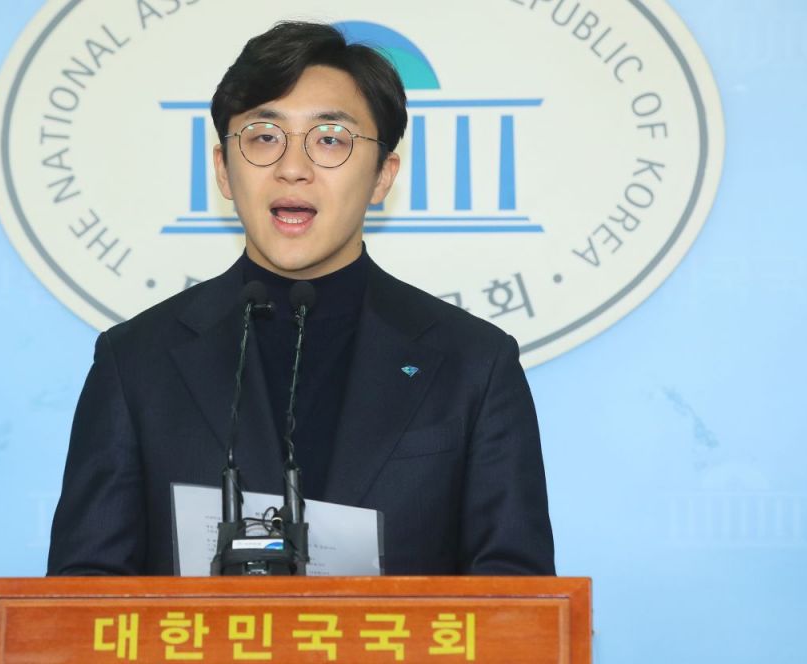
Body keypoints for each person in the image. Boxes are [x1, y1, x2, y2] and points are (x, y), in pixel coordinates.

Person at [48, 21, 555, 576]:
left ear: (383, 176)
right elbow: (81, 594)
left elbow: (517, 597)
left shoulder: (474, 363)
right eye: (264, 137)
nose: (293, 168)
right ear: (223, 169)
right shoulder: (136, 362)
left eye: (330, 139)